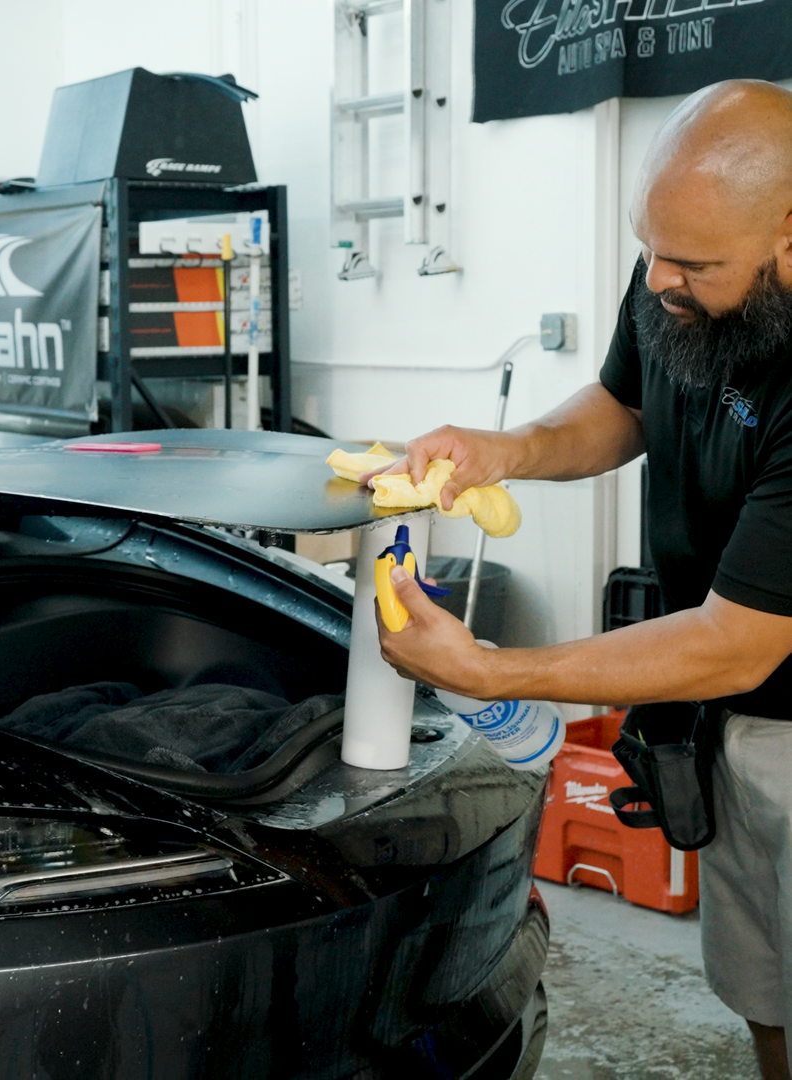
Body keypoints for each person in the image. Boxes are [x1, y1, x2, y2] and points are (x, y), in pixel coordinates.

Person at [361, 79, 792, 1080]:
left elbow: (741, 637)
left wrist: (489, 671)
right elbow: (624, 403)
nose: (658, 279)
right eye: (649, 249)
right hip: (719, 714)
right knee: (761, 979)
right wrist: (506, 449)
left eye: (691, 263)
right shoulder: (676, 269)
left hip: (773, 702)